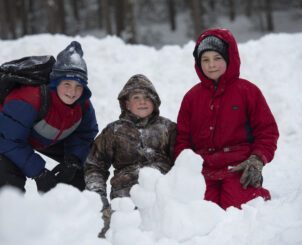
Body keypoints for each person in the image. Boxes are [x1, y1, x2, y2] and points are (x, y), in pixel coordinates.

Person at [175, 29, 279, 210]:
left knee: (238, 209)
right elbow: (182, 138)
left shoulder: (247, 91)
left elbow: (267, 131)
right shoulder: (192, 97)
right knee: (200, 210)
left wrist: (257, 159)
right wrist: (185, 166)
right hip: (204, 169)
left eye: (217, 58)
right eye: (205, 59)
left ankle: (258, 198)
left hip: (239, 166)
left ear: (229, 58)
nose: (211, 65)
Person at [0, 41, 98, 205]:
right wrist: (39, 173)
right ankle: (9, 217)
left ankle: (71, 213)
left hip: (44, 135)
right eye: (67, 84)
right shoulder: (30, 98)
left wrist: (73, 160)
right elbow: (9, 140)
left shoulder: (83, 104)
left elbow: (85, 135)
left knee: (83, 165)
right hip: (5, 134)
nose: (72, 92)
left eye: (78, 86)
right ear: (55, 82)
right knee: (8, 177)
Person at [84, 74, 177, 236]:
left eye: (147, 97)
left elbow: (181, 163)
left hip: (161, 198)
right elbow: (95, 167)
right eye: (136, 97)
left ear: (155, 102)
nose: (142, 102)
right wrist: (99, 201)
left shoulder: (168, 129)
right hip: (125, 200)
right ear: (127, 104)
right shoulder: (114, 131)